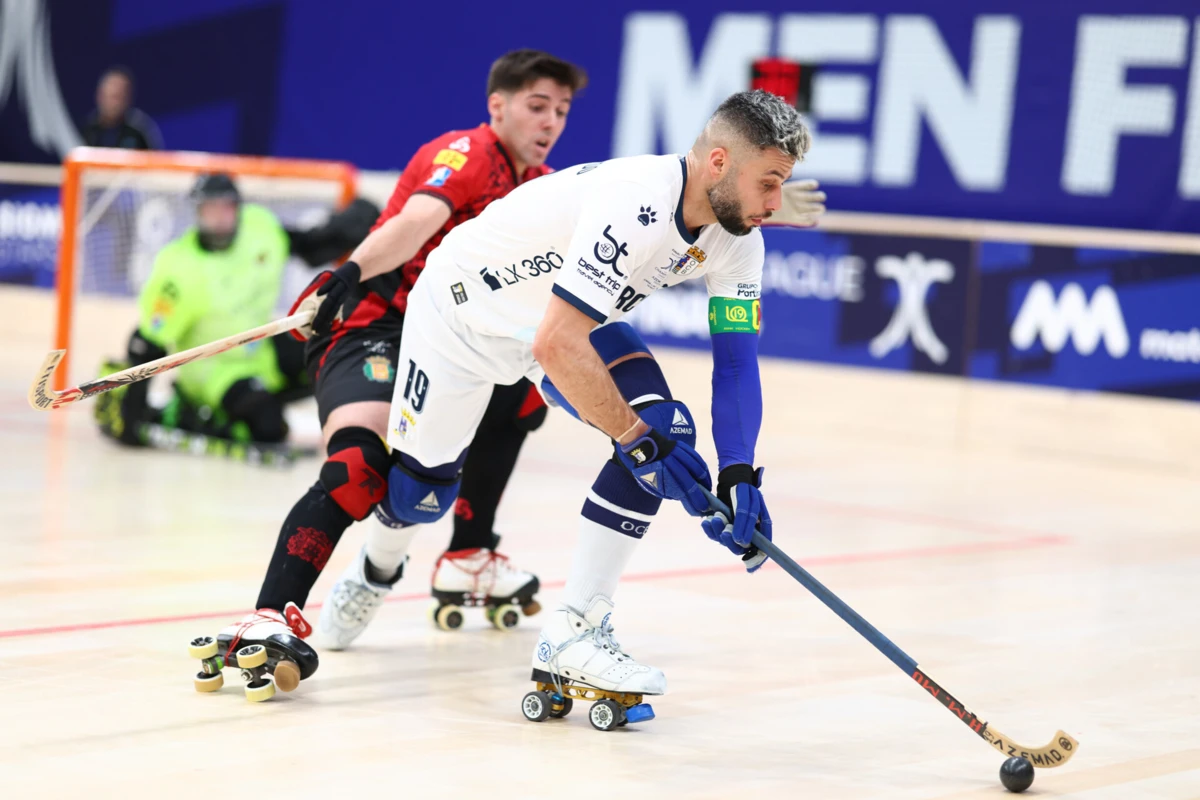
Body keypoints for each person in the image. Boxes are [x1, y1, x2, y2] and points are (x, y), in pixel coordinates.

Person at [289, 89, 814, 703]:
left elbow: (735, 365)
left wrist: (740, 475)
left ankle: (574, 633)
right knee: (421, 494)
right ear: (719, 163)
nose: (778, 205)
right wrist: (639, 444)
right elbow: (557, 347)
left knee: (665, 425)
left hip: (562, 319)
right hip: (462, 315)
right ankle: (378, 566)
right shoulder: (636, 201)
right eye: (770, 183)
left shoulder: (739, 239)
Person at [208, 50, 589, 685]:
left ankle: (467, 553)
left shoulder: (543, 187)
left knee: (523, 398)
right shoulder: (468, 153)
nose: (550, 121)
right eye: (537, 105)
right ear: (498, 107)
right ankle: (270, 616)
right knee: (360, 468)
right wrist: (349, 271)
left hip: (456, 338)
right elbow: (417, 222)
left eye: (562, 111)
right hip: (376, 322)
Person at [95, 173, 378, 452]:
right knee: (269, 428)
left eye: (226, 207)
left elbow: (308, 246)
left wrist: (363, 222)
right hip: (213, 369)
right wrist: (133, 410)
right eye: (210, 209)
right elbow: (148, 341)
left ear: (238, 208)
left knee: (333, 355)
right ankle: (197, 409)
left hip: (259, 351)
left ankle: (255, 399)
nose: (219, 217)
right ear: (197, 212)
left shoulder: (259, 230)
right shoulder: (179, 267)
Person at [80, 67, 163, 150]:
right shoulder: (88, 129)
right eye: (110, 97)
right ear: (99, 97)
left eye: (119, 97)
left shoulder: (139, 130)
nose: (114, 104)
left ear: (128, 99)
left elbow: (155, 159)